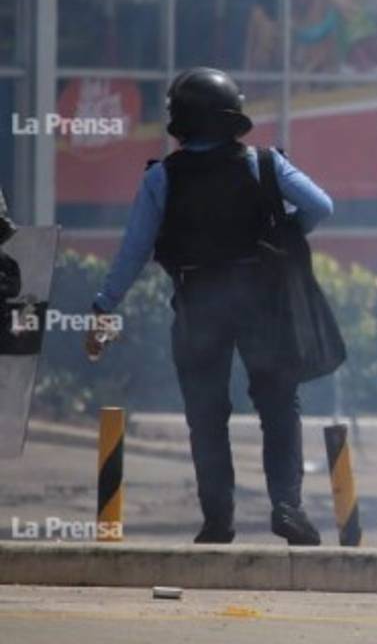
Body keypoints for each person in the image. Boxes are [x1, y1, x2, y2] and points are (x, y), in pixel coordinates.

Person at [85, 67, 334, 545]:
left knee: (206, 414)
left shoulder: (162, 176)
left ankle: (218, 521)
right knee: (279, 406)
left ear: (179, 122)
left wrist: (103, 306)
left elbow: (133, 250)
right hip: (263, 301)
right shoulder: (263, 164)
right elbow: (321, 205)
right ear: (231, 118)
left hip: (198, 303)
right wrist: (284, 233)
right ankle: (287, 508)